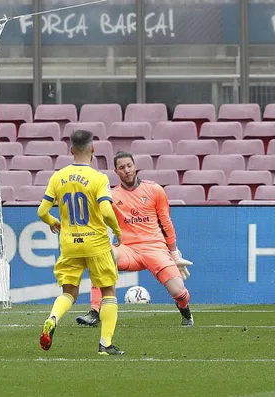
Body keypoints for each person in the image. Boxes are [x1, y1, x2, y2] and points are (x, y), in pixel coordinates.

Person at [76, 151, 194, 328]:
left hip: (155, 248)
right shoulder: (112, 196)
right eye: (122, 168)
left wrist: (174, 253)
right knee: (102, 257)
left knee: (179, 291)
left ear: (135, 166)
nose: (127, 170)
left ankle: (185, 311)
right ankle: (95, 312)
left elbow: (166, 223)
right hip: (128, 249)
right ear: (116, 172)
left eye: (129, 166)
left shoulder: (154, 190)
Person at [38, 129, 124, 355]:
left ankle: (53, 319)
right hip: (96, 243)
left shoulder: (58, 177)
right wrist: (117, 230)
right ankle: (105, 344)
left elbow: (42, 211)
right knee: (108, 292)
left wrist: (53, 221)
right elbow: (106, 211)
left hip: (69, 243)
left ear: (71, 150)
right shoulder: (99, 178)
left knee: (69, 292)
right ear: (93, 149)